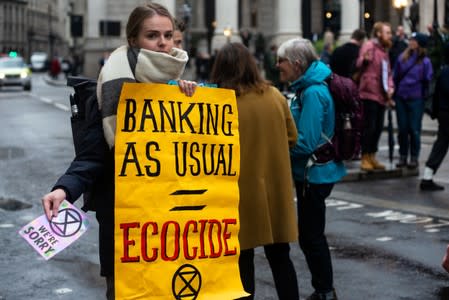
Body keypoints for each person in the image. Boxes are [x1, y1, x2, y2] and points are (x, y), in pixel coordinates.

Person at [41, 4, 196, 299]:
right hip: (124, 220)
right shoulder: (111, 86)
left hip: (170, 220)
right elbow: (92, 155)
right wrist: (64, 190)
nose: (163, 43)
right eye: (152, 35)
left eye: (168, 35)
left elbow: (192, 153)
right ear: (134, 39)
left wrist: (190, 98)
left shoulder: (177, 87)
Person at [210, 42, 299, 300]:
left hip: (238, 194)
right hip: (275, 190)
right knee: (281, 259)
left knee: (241, 262)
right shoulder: (275, 96)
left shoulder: (219, 104)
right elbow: (292, 137)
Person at [277, 38, 347, 300]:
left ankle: (325, 292)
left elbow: (305, 141)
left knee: (311, 236)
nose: (277, 65)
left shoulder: (314, 92)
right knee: (310, 235)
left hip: (314, 174)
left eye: (280, 60)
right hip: (311, 172)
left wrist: (277, 152)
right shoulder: (307, 88)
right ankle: (324, 289)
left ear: (296, 64)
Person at [356, 21, 395, 171]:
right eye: (387, 32)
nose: (389, 35)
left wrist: (391, 87)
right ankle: (365, 157)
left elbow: (388, 72)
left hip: (381, 94)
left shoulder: (384, 51)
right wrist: (364, 59)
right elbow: (359, 63)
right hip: (368, 92)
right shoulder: (369, 46)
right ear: (379, 33)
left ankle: (372, 155)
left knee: (378, 127)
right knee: (369, 127)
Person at [393, 32, 433, 169]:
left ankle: (414, 157)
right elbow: (395, 76)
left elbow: (428, 80)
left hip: (416, 98)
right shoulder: (402, 58)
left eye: (413, 40)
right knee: (402, 128)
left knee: (414, 129)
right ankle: (403, 155)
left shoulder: (425, 61)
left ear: (419, 44)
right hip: (401, 97)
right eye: (410, 39)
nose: (410, 42)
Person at [420, 44, 449, 191]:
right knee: (441, 144)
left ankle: (427, 176)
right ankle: (427, 177)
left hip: (443, 113)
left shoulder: (444, 71)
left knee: (441, 144)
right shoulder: (446, 71)